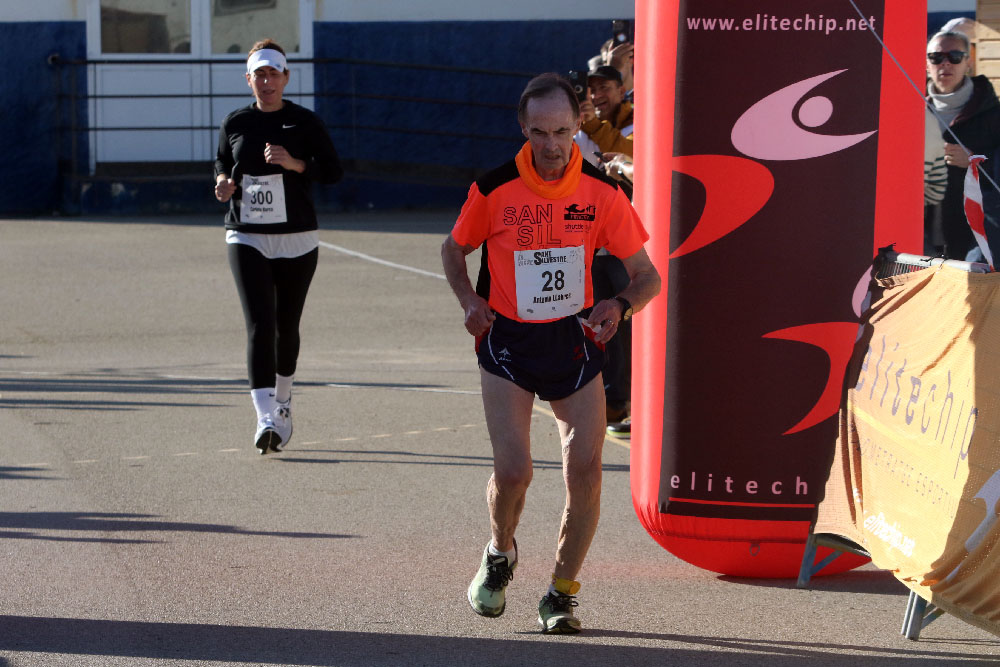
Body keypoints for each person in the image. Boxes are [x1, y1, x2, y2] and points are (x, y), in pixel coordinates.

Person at [441, 73, 660, 633]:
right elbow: (454, 248)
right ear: (523, 128)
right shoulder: (494, 189)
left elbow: (647, 276)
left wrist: (620, 305)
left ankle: (561, 593)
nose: (551, 145)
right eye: (539, 132)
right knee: (514, 472)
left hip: (573, 341)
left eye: (561, 131)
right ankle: (500, 551)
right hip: (508, 342)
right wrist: (469, 300)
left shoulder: (602, 193)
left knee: (585, 472)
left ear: (578, 124)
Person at [214, 39, 343, 454]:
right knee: (259, 324)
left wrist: (295, 163)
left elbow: (334, 172)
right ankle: (264, 416)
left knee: (287, 326)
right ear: (248, 79)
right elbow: (222, 162)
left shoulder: (305, 122)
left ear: (286, 78)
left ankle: (283, 400)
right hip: (246, 234)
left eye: (273, 73)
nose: (266, 81)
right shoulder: (236, 121)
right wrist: (222, 183)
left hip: (297, 238)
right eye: (259, 74)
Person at [926, 30, 1000, 260]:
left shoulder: (993, 114)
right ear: (926, 64)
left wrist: (975, 161)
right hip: (921, 235)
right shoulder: (909, 111)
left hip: (979, 236)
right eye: (936, 57)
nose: (945, 63)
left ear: (968, 63)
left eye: (955, 56)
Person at [575, 65, 633, 164]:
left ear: (621, 92)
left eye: (603, 87)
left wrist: (592, 124)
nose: (596, 96)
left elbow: (631, 154)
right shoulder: (577, 127)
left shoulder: (638, 123)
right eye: (591, 90)